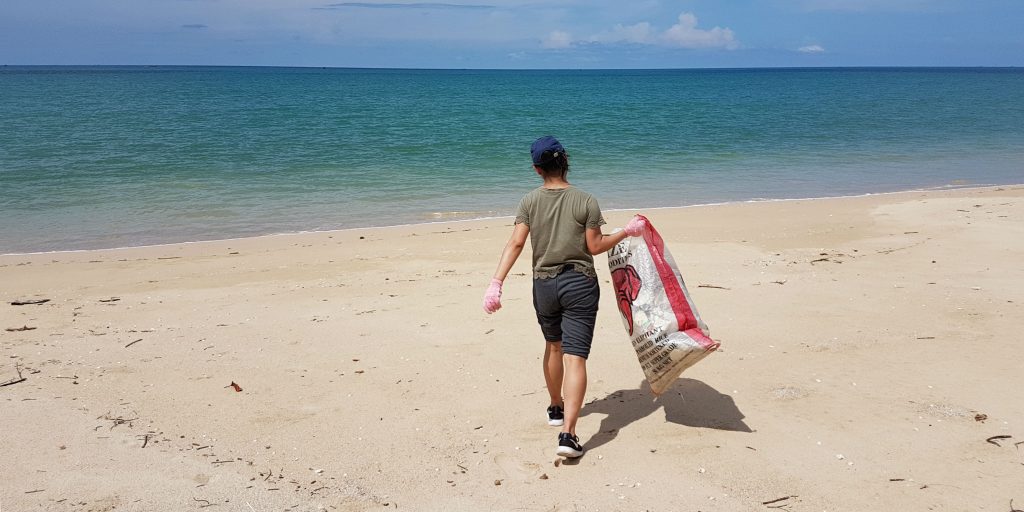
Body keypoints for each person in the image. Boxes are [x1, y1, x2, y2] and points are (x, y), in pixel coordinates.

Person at [483, 135, 645, 458]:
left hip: (543, 286)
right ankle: (568, 435)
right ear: (565, 161)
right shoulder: (586, 201)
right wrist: (627, 231)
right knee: (576, 357)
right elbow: (595, 247)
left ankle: (556, 407)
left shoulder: (529, 202)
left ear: (536, 169)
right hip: (579, 284)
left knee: (553, 346)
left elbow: (516, 243)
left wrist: (496, 282)